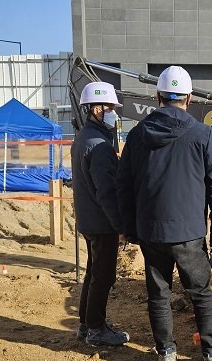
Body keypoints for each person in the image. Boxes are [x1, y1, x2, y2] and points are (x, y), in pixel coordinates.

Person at [118, 66, 212, 361]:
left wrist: (129, 230)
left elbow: (123, 185)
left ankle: (166, 354)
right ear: (189, 98)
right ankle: (211, 355)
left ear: (158, 97)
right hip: (190, 232)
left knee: (159, 294)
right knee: (201, 293)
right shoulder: (203, 134)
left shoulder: (138, 135)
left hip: (151, 231)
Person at [72, 81, 130, 347]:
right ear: (95, 109)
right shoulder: (100, 146)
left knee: (93, 272)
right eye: (108, 107)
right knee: (103, 276)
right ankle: (96, 329)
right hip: (101, 221)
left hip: (89, 219)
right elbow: (106, 192)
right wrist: (119, 225)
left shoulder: (84, 138)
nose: (112, 112)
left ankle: (87, 324)